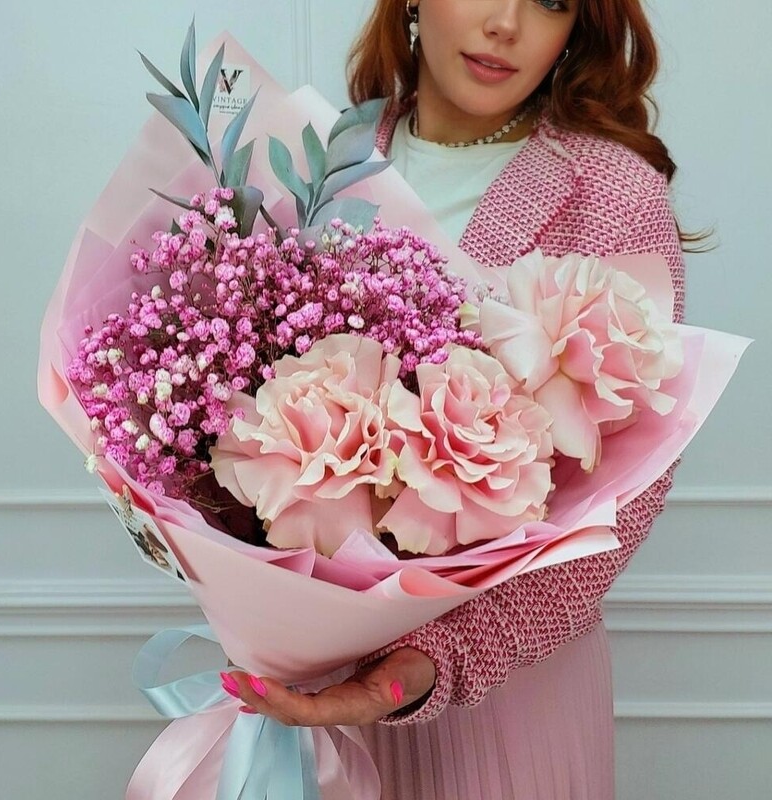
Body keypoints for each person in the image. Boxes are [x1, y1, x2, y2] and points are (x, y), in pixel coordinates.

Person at [223, 1, 686, 796]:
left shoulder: (613, 195)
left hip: (507, 700)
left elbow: (624, 501)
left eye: (551, 0)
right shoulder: (310, 163)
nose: (506, 23)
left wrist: (433, 660)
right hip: (307, 691)